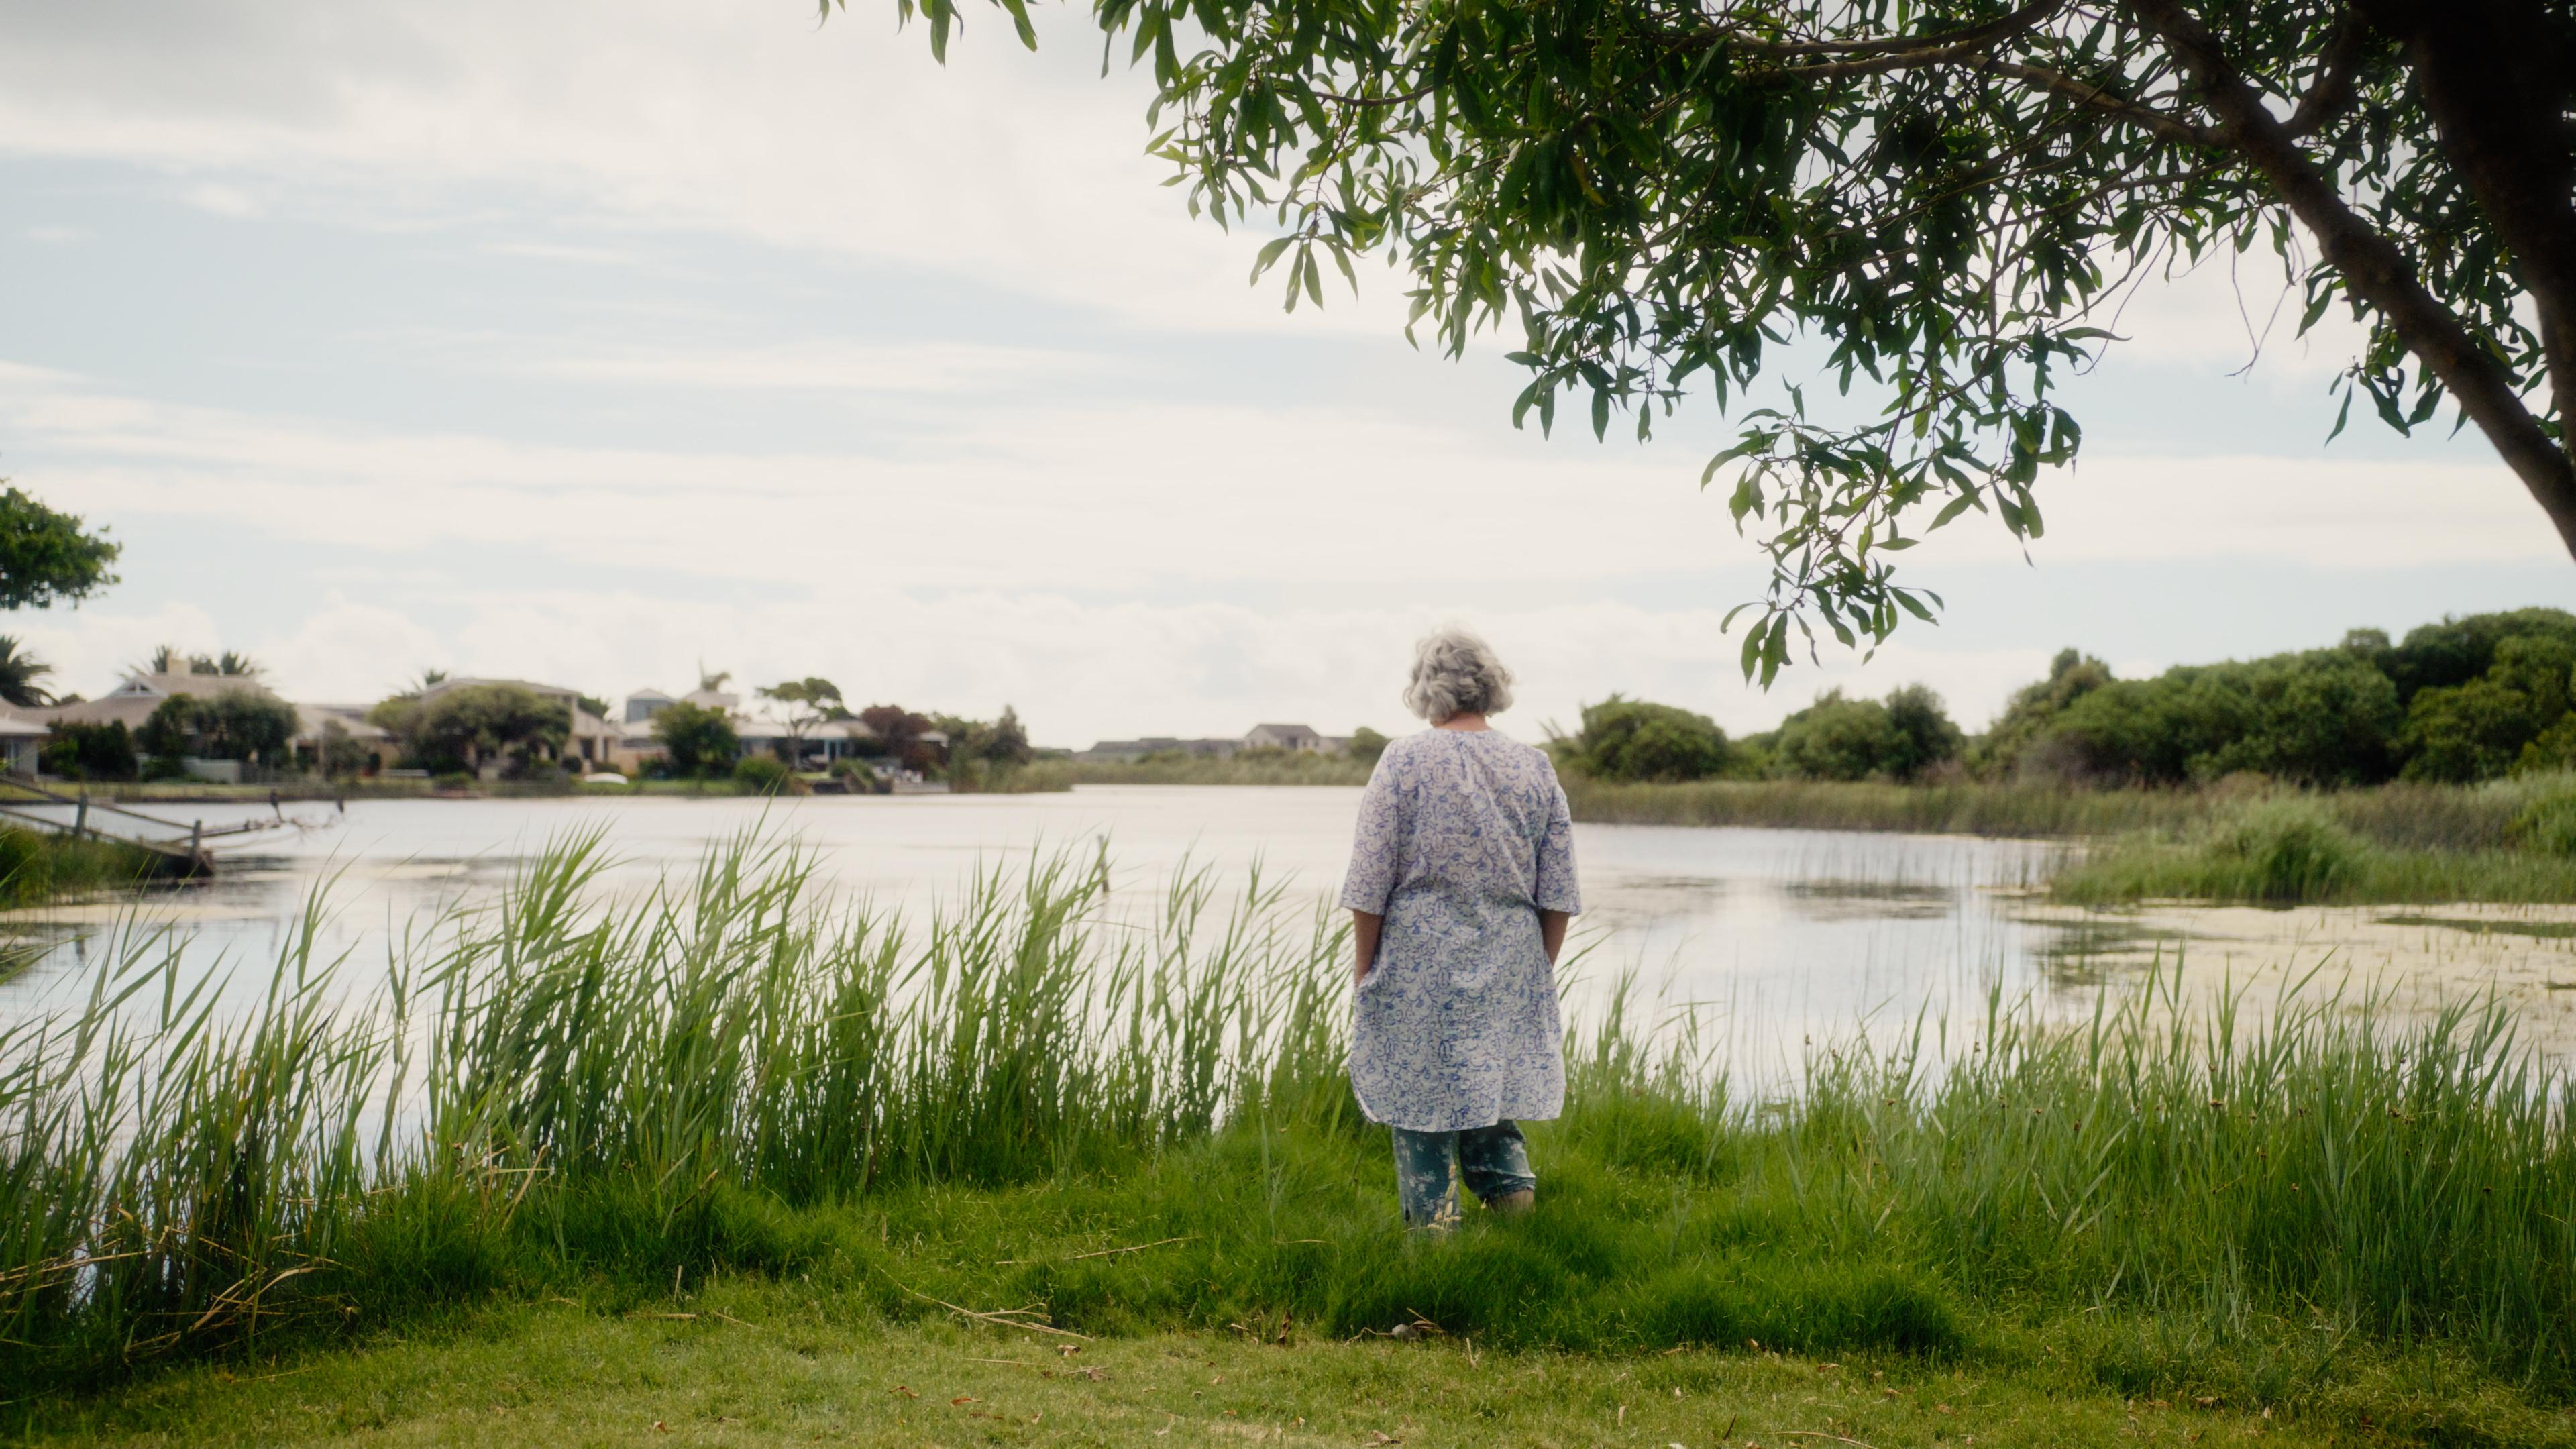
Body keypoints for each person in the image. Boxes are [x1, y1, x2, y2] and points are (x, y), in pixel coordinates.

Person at [1340, 626, 1580, 1230]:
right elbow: (1559, 892)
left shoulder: (1404, 759)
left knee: (1421, 1109)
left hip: (1420, 958)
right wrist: (1535, 970)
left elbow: (1370, 883)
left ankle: (1433, 1250)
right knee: (1493, 1104)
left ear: (1426, 689)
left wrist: (1365, 970)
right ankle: (1520, 1237)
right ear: (1492, 687)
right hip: (1511, 957)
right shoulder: (1534, 766)